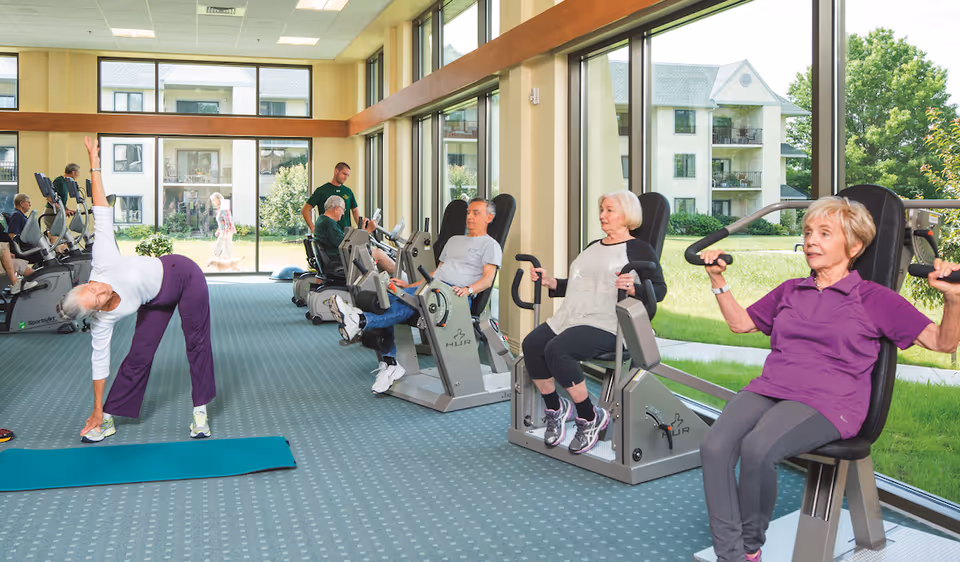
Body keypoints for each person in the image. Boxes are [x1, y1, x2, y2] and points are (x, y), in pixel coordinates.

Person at [697, 196, 960, 562]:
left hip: (829, 401)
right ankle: (731, 553)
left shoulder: (874, 298)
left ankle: (746, 548)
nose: (811, 241)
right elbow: (740, 323)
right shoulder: (791, 289)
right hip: (772, 387)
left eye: (824, 233)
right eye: (807, 232)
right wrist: (718, 280)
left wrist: (953, 299)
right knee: (714, 446)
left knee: (758, 449)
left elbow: (942, 342)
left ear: (854, 247)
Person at [59, 136, 216, 443]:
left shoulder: (102, 262)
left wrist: (94, 165)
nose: (102, 289)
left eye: (94, 287)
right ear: (93, 310)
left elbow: (101, 209)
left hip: (183, 275)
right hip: (154, 299)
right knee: (138, 355)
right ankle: (107, 419)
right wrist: (96, 409)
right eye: (98, 298)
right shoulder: (102, 322)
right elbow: (99, 363)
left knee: (196, 344)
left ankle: (200, 413)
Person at [522, 191, 666, 454]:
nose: (602, 215)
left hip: (610, 323)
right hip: (572, 316)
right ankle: (556, 408)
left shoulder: (638, 249)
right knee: (532, 344)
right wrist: (552, 282)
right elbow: (581, 285)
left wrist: (634, 288)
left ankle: (589, 417)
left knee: (558, 350)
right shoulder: (592, 246)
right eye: (602, 209)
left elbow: (659, 289)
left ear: (627, 215)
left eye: (610, 210)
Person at [330, 197, 502, 394]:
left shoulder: (490, 245)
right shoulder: (455, 241)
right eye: (469, 212)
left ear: (489, 217)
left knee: (402, 303)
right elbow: (437, 272)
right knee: (388, 297)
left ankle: (361, 322)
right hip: (434, 287)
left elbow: (488, 279)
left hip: (455, 295)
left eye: (476, 213)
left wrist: (469, 290)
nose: (470, 216)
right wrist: (409, 286)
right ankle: (389, 361)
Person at [314, 195, 395, 274]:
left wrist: (363, 229)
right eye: (343, 210)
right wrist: (368, 230)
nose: (343, 213)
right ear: (336, 208)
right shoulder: (328, 223)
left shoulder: (322, 220)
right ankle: (400, 278)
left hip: (336, 257)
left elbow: (346, 240)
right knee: (378, 253)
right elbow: (348, 245)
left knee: (375, 251)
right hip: (341, 259)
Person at [301, 163, 359, 232]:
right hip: (327, 233)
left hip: (345, 233)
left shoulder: (348, 191)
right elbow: (305, 210)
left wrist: (361, 228)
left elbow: (355, 210)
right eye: (344, 174)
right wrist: (312, 228)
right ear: (336, 171)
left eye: (347, 175)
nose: (346, 177)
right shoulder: (321, 191)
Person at [45, 163, 79, 235]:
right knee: (57, 238)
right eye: (78, 172)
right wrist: (61, 209)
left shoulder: (65, 183)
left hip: (57, 212)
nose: (78, 175)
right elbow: (49, 198)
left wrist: (66, 209)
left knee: (64, 237)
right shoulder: (59, 181)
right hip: (52, 212)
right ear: (73, 172)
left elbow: (59, 200)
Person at [207, 192, 236, 268]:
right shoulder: (220, 208)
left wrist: (226, 232)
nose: (213, 203)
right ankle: (220, 263)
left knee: (226, 249)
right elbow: (221, 221)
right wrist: (219, 230)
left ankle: (229, 265)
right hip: (224, 231)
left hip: (227, 231)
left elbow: (227, 220)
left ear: (218, 200)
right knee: (219, 248)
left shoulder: (224, 208)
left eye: (213, 200)